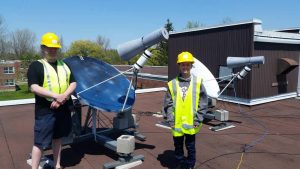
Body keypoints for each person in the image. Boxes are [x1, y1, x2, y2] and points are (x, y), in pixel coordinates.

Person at [27, 32, 77, 169]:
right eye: (49, 47)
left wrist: (63, 98)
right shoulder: (36, 66)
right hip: (45, 111)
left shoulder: (64, 65)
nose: (52, 50)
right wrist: (56, 95)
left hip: (63, 108)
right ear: (43, 48)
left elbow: (73, 83)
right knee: (40, 142)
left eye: (55, 48)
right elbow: (34, 87)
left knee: (58, 138)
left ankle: (57, 165)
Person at [163, 51, 208, 169]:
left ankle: (190, 165)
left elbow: (203, 103)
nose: (185, 67)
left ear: (191, 66)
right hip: (176, 124)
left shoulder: (198, 82)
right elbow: (168, 104)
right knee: (178, 147)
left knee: (190, 147)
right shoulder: (172, 84)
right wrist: (170, 120)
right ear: (179, 66)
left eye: (187, 64)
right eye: (183, 64)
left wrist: (198, 120)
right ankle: (179, 164)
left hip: (192, 124)